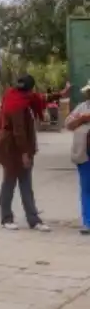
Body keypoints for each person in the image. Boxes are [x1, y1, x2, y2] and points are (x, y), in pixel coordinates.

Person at [0, 74, 67, 232]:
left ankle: (33, 219)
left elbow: (41, 98)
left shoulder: (20, 97)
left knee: (25, 183)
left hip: (22, 147)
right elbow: (18, 131)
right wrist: (24, 154)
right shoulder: (17, 104)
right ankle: (7, 218)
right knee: (10, 182)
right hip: (13, 149)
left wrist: (60, 94)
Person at [65, 83, 90, 234]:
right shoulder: (81, 107)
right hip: (84, 153)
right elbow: (68, 124)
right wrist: (82, 118)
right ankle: (88, 222)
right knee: (86, 188)